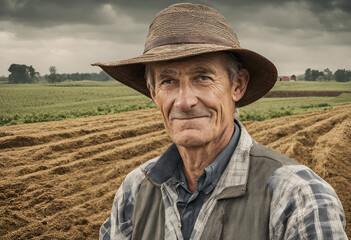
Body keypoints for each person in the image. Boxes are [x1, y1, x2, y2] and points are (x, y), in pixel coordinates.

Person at [93, 3, 347, 240]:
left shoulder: (298, 196)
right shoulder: (135, 190)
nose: (184, 101)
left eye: (203, 77)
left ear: (237, 85)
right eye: (168, 81)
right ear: (153, 92)